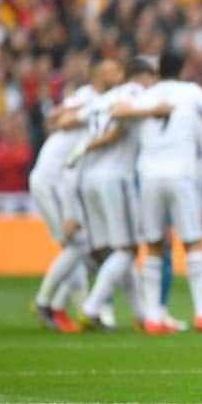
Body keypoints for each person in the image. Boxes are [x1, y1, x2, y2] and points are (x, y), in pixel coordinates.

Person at [116, 51, 202, 333]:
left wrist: (150, 111)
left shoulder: (146, 95)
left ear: (157, 70)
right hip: (181, 173)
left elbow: (117, 112)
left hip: (150, 174)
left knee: (153, 244)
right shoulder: (192, 92)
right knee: (193, 242)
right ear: (184, 69)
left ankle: (153, 317)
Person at [72, 56, 170, 331]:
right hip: (115, 177)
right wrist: (156, 110)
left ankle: (140, 314)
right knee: (127, 249)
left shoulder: (101, 98)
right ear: (148, 76)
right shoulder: (135, 93)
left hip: (90, 177)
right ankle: (92, 308)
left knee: (117, 250)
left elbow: (69, 118)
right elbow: (120, 117)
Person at [28, 59, 121, 332]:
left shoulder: (105, 102)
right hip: (53, 179)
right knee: (78, 246)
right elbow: (55, 116)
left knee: (84, 247)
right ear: (98, 76)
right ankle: (47, 303)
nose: (120, 75)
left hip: (66, 180)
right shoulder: (89, 97)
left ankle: (67, 306)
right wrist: (87, 109)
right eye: (114, 70)